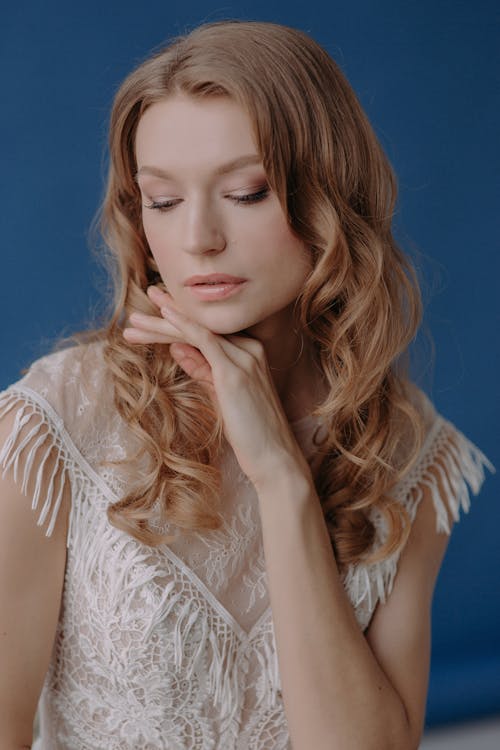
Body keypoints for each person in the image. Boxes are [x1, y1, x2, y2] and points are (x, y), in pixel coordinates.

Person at [0, 19, 494, 750]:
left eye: (247, 191)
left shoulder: (408, 451)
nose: (198, 237)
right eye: (162, 201)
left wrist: (281, 477)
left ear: (330, 199)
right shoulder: (56, 424)